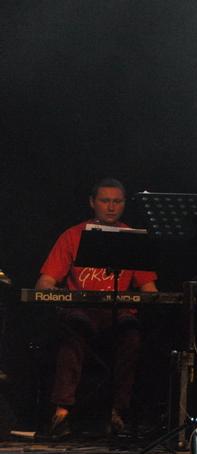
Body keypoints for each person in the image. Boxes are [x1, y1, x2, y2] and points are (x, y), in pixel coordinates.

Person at [36, 178, 158, 439]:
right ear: (92, 203)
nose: (111, 207)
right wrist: (53, 293)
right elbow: (45, 282)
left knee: (131, 335)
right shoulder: (73, 235)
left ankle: (117, 412)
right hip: (82, 311)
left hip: (118, 314)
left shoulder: (132, 238)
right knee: (74, 328)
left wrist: (157, 300)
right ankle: (61, 413)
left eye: (117, 202)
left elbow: (149, 288)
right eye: (105, 201)